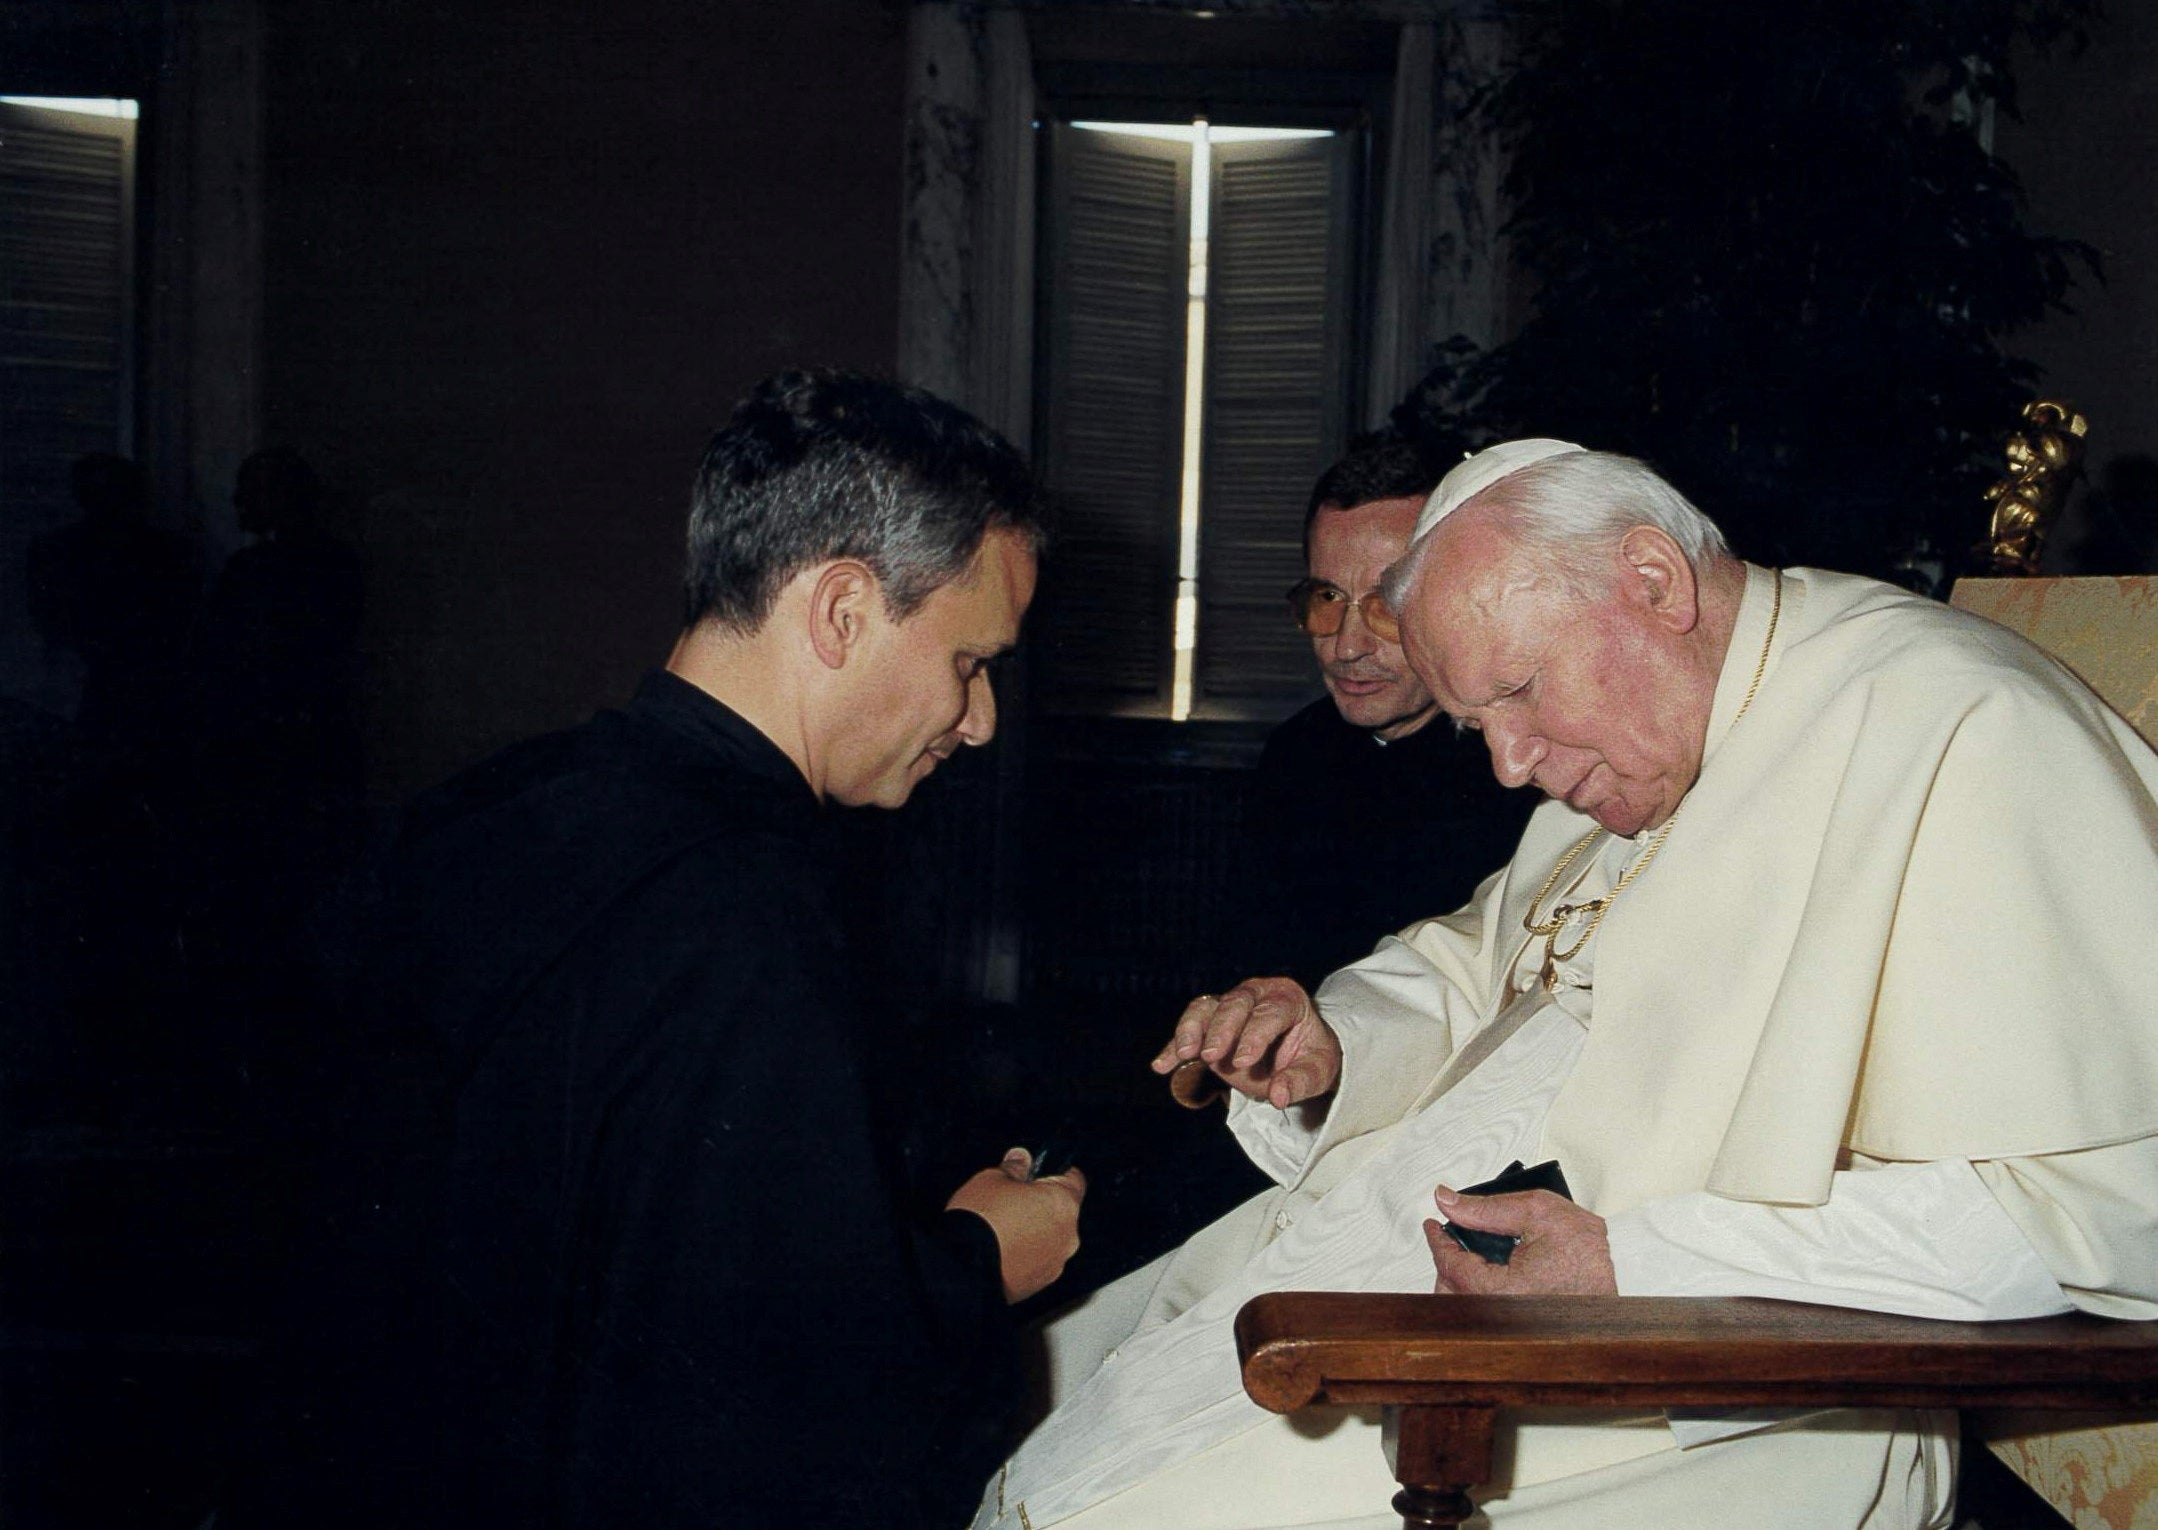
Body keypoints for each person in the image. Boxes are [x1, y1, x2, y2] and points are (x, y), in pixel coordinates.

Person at [976, 441, 2158, 1530]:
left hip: (1735, 1394)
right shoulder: (1669, 724)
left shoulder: (1964, 731)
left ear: (1651, 581)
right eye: (1475, 721)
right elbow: (1487, 957)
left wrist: (1638, 1269)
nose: (1507, 766)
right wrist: (1333, 1035)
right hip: (1453, 1271)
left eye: (1519, 694)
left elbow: (2114, 1215)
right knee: (1016, 1400)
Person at [245, 372, 1087, 1530]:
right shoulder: (752, 914)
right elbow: (765, 1401)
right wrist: (978, 1262)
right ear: (843, 610)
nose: (980, 720)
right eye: (971, 663)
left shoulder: (485, 805)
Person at [1227, 441, 1533, 990]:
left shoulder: (1527, 763)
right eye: (1327, 597)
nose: (1347, 648)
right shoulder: (1296, 753)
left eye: (1386, 604)